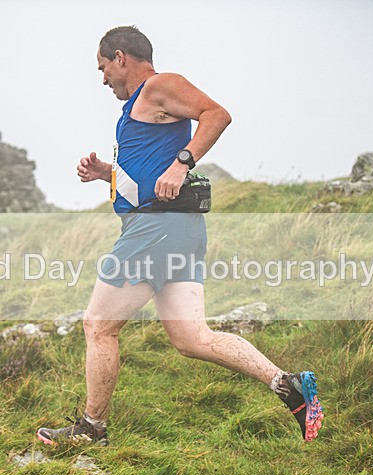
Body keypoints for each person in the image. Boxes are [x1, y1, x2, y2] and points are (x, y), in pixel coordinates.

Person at [37, 26, 322, 446]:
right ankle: (288, 385)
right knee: (193, 338)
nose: (103, 79)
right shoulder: (139, 108)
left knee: (98, 325)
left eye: (103, 68)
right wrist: (107, 174)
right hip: (176, 230)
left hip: (156, 229)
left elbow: (217, 115)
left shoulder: (159, 85)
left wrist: (182, 163)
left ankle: (92, 429)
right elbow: (146, 176)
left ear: (120, 57)